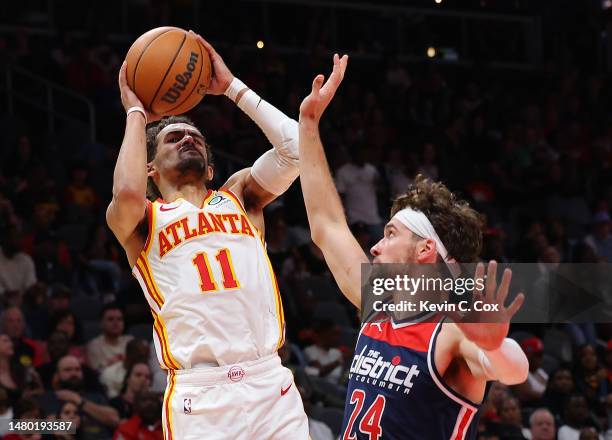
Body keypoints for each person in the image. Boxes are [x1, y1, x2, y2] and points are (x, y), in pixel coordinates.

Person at [297, 53, 528, 439]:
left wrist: (497, 346)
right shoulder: (379, 305)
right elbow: (327, 226)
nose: (374, 248)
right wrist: (308, 124)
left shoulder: (451, 330)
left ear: (425, 250)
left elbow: (514, 370)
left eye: (390, 235)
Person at [107, 31, 308, 439]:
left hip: (271, 382)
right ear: (150, 168)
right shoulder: (144, 220)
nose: (188, 137)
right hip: (201, 395)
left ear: (212, 169)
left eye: (195, 136)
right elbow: (126, 192)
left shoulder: (241, 198)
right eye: (174, 137)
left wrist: (232, 87)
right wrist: (136, 114)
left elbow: (298, 149)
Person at [39, 355, 119, 439]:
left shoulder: (96, 397)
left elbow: (115, 420)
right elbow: (26, 427)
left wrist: (80, 401)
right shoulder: (47, 398)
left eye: (77, 369)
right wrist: (65, 427)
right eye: (67, 370)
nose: (74, 373)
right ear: (57, 375)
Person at [86, 303, 133, 372]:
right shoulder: (94, 345)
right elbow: (96, 372)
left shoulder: (130, 341)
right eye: (110, 319)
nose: (116, 322)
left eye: (119, 319)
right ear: (101, 323)